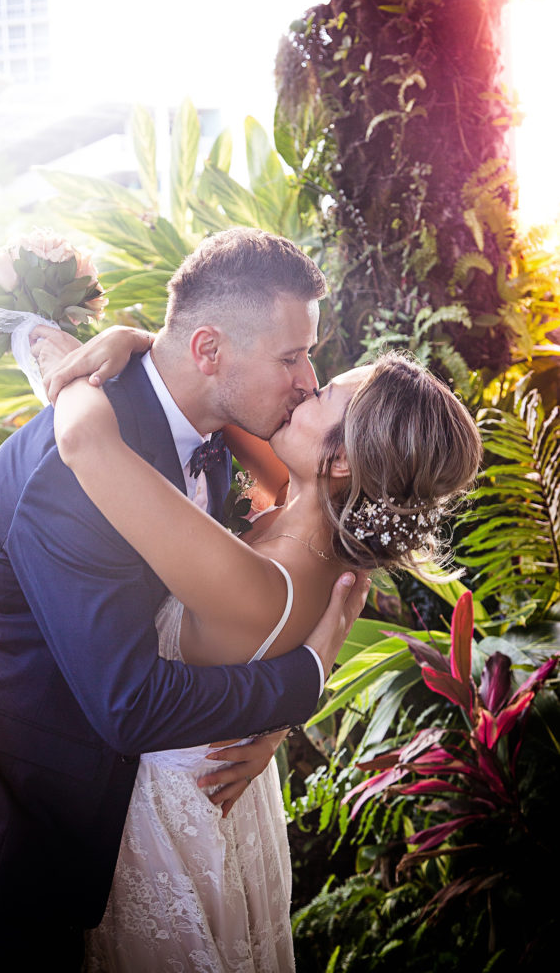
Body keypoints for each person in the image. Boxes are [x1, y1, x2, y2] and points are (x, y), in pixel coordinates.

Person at [0, 228, 370, 973]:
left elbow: (332, 540)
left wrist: (134, 338)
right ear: (208, 351)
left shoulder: (223, 424)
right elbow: (130, 705)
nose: (307, 380)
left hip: (114, 814)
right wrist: (297, 685)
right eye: (292, 357)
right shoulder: (75, 470)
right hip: (7, 821)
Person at [32, 326, 482, 971]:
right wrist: (138, 339)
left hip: (165, 810)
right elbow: (215, 393)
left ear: (343, 462)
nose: (303, 385)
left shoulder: (267, 580)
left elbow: (83, 440)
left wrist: (61, 362)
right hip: (219, 787)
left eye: (323, 391)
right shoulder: (314, 526)